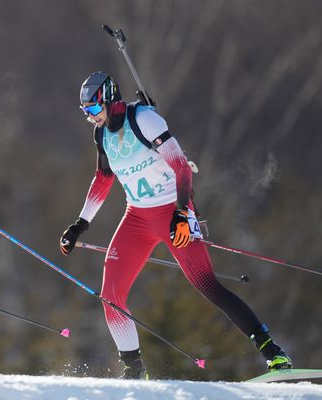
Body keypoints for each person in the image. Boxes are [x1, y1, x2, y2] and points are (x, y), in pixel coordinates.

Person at [59, 71, 292, 379]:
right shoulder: (101, 135)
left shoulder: (144, 120)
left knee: (206, 285)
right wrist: (81, 223)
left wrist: (183, 213)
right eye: (85, 113)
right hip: (137, 218)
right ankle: (134, 369)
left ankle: (273, 352)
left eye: (92, 110)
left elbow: (181, 165)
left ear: (108, 100)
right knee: (110, 294)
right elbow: (103, 179)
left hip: (172, 212)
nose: (90, 118)